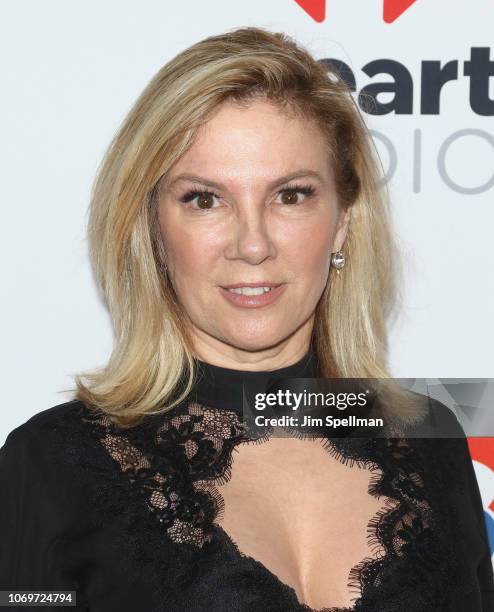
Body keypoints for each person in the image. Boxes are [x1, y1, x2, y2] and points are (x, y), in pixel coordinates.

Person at [0, 26, 492, 612]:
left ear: (341, 221)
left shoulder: (429, 436)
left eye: (291, 195)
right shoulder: (50, 462)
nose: (252, 245)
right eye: (205, 199)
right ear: (152, 227)